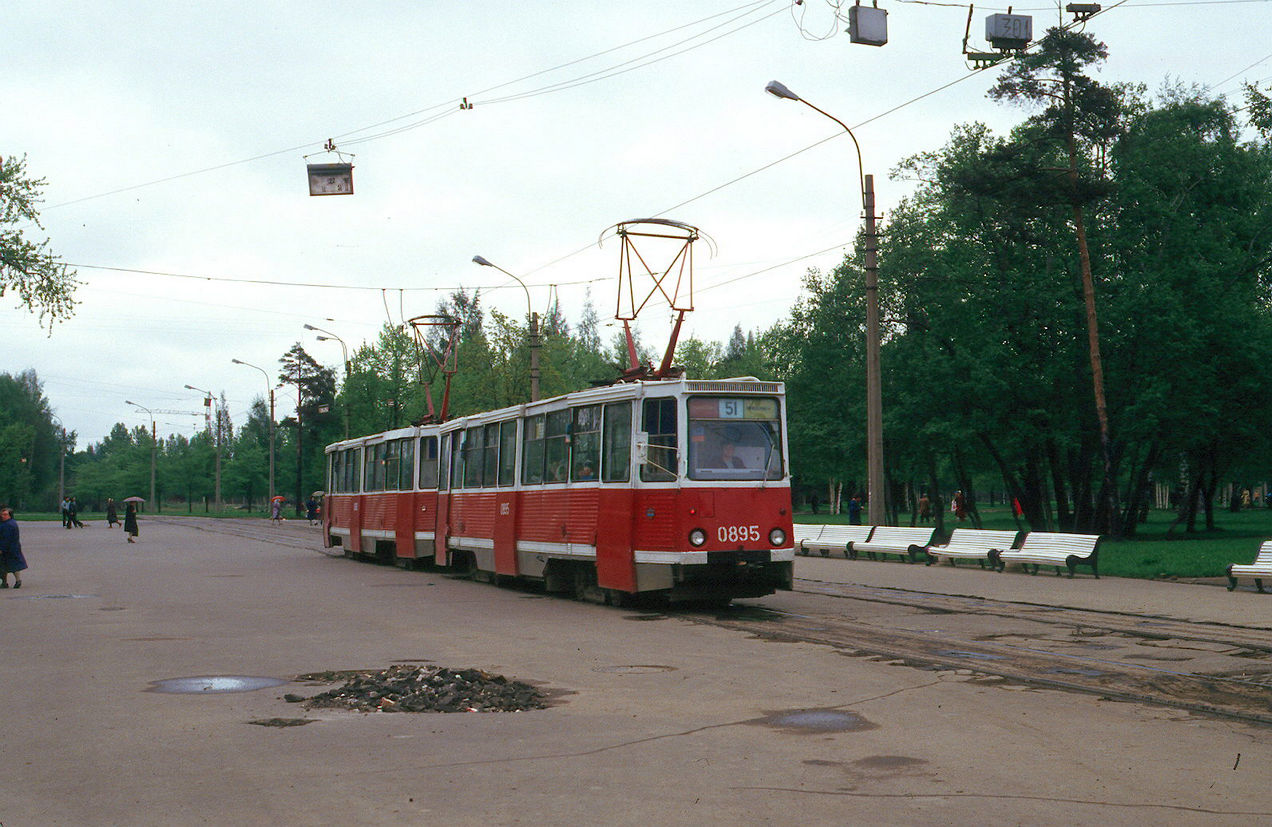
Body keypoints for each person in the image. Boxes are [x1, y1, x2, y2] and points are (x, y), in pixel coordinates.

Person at [1, 506, 28, 589]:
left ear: (10, 515)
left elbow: (6, 539)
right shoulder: (11, 523)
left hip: (8, 549)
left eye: (5, 514)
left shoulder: (8, 525)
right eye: (2, 514)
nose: (2, 516)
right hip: (13, 548)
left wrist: (2, 548)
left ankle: (7, 582)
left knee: (5, 566)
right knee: (11, 566)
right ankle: (14, 581)